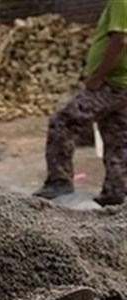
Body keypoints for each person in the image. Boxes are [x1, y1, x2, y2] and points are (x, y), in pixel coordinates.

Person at [34, 0, 126, 206]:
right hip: (123, 85)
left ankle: (60, 181)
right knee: (117, 139)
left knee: (63, 121)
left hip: (110, 83)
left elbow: (120, 41)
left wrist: (99, 76)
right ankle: (115, 193)